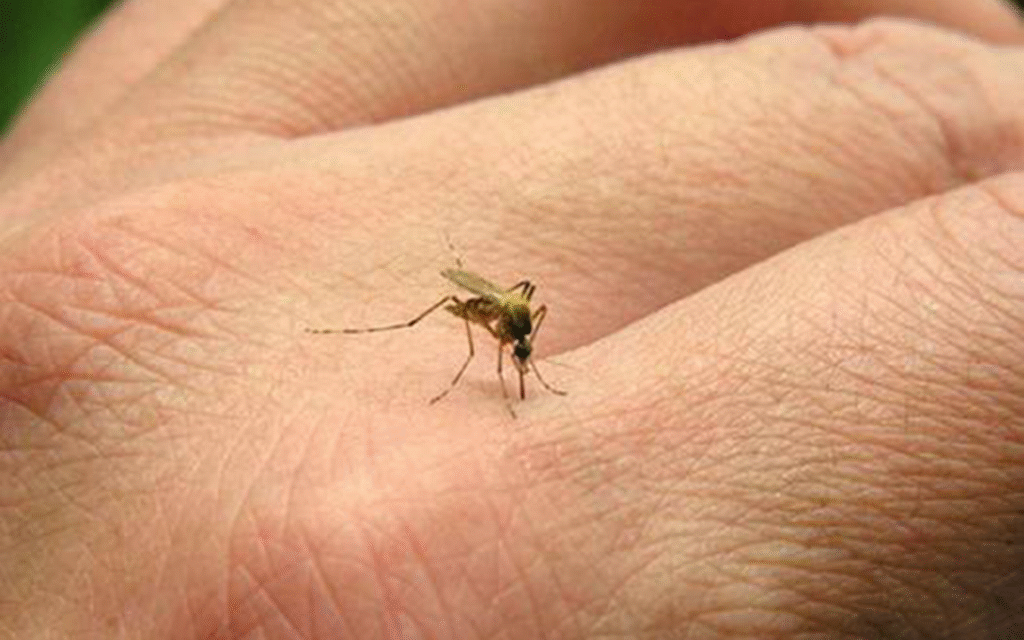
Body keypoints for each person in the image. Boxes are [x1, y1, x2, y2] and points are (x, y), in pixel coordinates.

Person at [2, 0, 1023, 636]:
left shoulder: (520, 323)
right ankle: (413, 348)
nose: (514, 344)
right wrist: (472, 348)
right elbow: (489, 303)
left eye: (515, 341)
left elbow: (524, 313)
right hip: (466, 296)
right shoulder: (486, 314)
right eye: (514, 340)